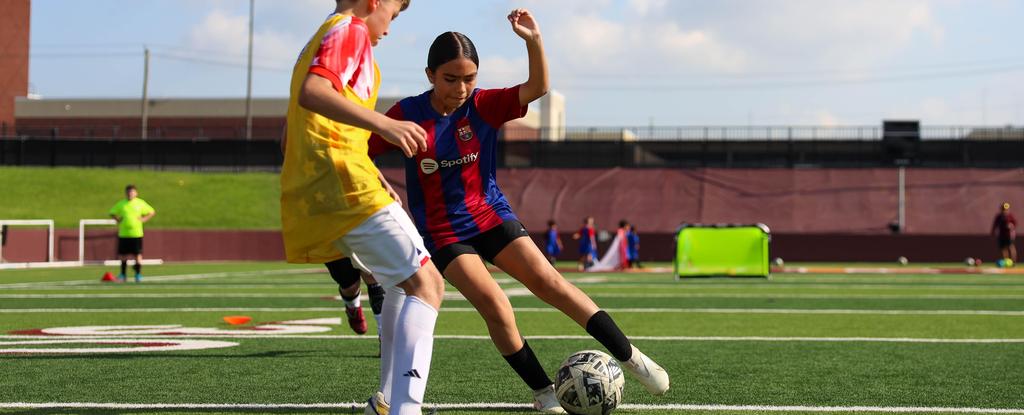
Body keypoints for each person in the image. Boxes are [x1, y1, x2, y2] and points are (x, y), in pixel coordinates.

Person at [368, 10, 669, 412]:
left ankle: (633, 357)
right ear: (430, 75)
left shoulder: (483, 105)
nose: (461, 88)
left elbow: (539, 87)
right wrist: (379, 183)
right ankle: (545, 394)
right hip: (443, 233)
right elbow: (361, 150)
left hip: (490, 214)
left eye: (469, 78)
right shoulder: (406, 114)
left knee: (551, 283)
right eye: (450, 78)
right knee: (496, 305)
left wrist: (533, 39)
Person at [279, 1, 446, 414]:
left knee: (395, 284)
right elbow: (315, 92)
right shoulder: (349, 30)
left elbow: (293, 131)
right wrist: (385, 125)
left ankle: (387, 403)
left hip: (328, 184)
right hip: (341, 181)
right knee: (429, 285)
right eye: (394, 11)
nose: (391, 26)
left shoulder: (320, 36)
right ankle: (405, 408)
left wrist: (372, 173)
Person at [108, 184, 155, 282]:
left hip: (136, 233)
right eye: (128, 192)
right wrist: (117, 219)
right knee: (122, 255)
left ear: (136, 193)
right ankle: (123, 275)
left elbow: (151, 211)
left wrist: (144, 219)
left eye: (132, 192)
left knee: (137, 255)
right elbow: (112, 212)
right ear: (126, 193)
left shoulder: (140, 203)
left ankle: (138, 274)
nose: (130, 194)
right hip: (124, 234)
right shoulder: (121, 204)